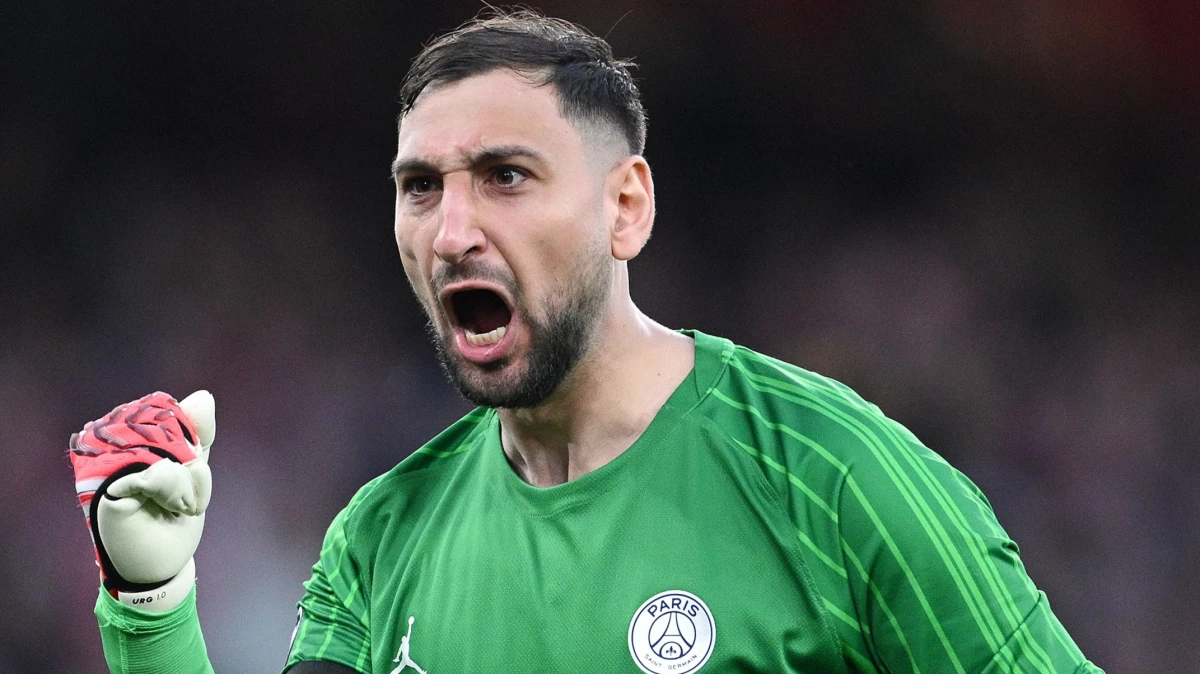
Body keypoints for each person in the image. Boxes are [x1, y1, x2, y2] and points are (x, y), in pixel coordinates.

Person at [70, 10, 1104, 674]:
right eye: (421, 186)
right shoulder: (380, 541)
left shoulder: (833, 479)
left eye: (506, 176)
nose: (452, 230)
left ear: (626, 208)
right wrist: (152, 604)